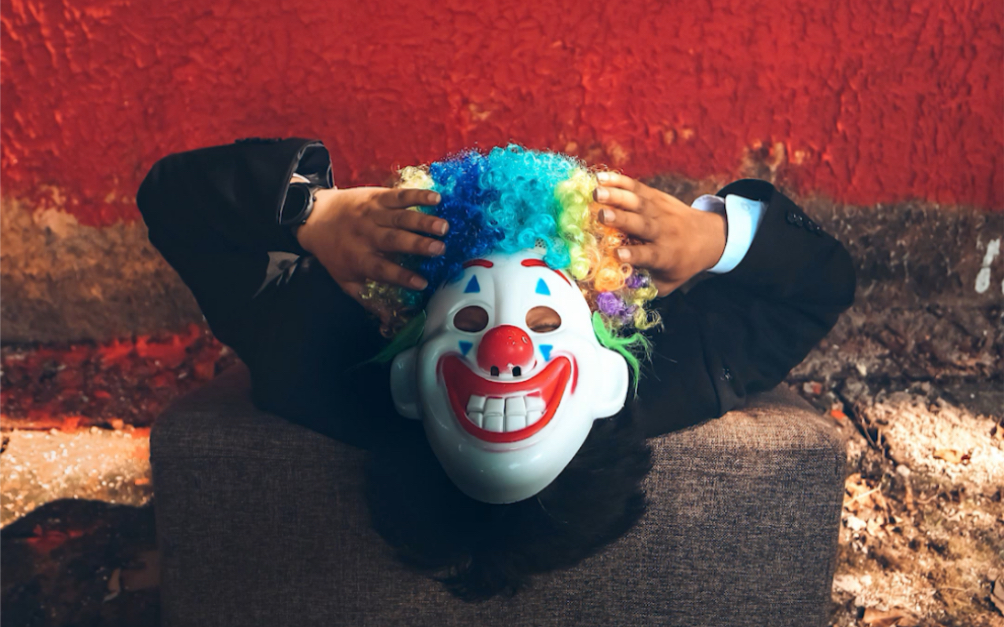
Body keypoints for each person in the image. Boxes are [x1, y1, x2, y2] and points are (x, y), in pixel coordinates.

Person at [137, 137, 855, 600]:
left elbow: (171, 201)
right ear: (606, 380)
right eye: (545, 327)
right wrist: (716, 235)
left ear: (408, 380)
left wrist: (311, 213)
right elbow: (821, 284)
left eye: (470, 328)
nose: (509, 340)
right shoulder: (662, 377)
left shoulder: (317, 363)